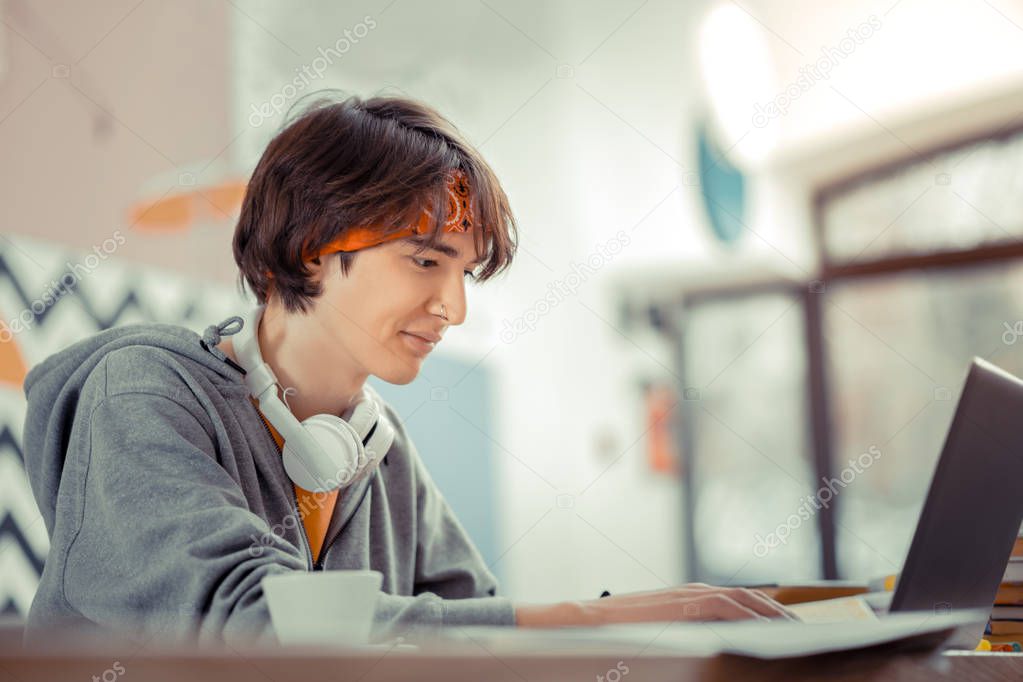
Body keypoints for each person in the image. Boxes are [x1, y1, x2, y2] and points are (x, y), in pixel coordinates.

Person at [20, 93, 794, 649]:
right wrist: (599, 617)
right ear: (312, 247)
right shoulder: (141, 394)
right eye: (424, 261)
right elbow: (256, 630)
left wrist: (639, 622)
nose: (452, 308)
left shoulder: (372, 445)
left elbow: (477, 630)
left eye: (463, 274)